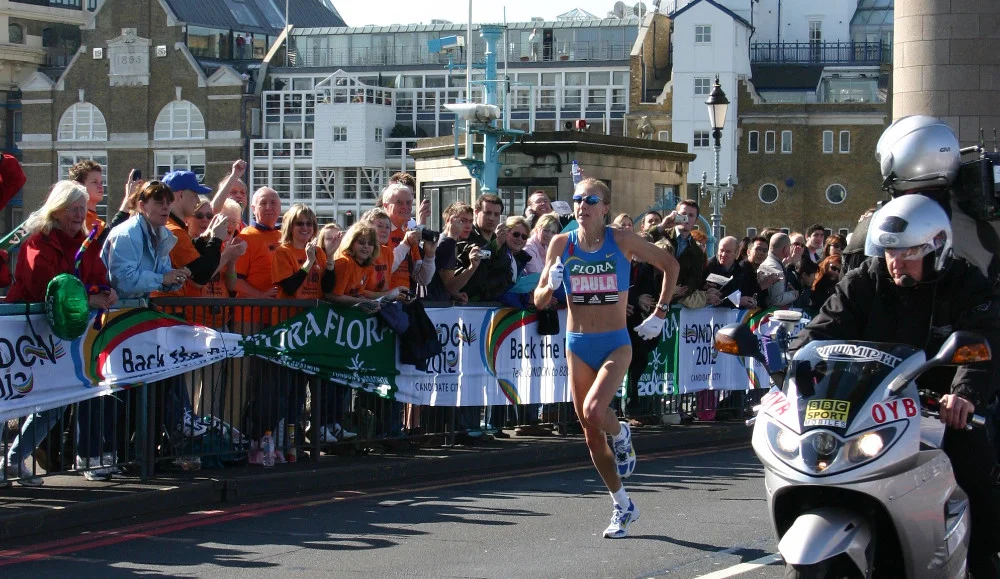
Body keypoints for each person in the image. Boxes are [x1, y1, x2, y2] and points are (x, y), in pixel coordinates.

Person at [792, 194, 1000, 578]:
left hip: (938, 408)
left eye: (908, 253)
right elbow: (822, 331)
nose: (895, 262)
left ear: (936, 250)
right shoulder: (864, 280)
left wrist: (964, 394)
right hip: (873, 406)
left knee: (977, 476)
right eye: (889, 252)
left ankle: (984, 561)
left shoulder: (966, 284)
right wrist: (793, 364)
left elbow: (982, 339)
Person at [533, 178, 679, 539]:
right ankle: (623, 504)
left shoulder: (622, 240)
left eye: (590, 199)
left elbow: (670, 266)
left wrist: (660, 312)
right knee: (590, 435)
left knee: (598, 412)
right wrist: (550, 284)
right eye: (577, 199)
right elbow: (538, 300)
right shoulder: (561, 243)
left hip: (615, 343)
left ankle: (622, 430)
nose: (582, 205)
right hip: (578, 343)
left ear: (605, 207)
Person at [3, 181, 118, 486]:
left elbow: (96, 276)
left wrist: (106, 293)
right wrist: (85, 297)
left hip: (64, 337)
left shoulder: (84, 243)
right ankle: (7, 462)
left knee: (55, 405)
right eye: (73, 209)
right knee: (14, 398)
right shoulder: (37, 242)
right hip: (27, 334)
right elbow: (43, 285)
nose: (80, 215)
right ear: (57, 210)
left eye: (83, 208)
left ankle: (14, 459)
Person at [426, 202, 477, 303]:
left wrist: (455, 294)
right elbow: (450, 286)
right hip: (437, 308)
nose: (468, 226)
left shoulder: (448, 242)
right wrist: (472, 268)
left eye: (471, 221)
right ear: (449, 221)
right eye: (463, 221)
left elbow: (442, 282)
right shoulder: (447, 243)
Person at [756, 233, 798, 308]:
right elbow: (776, 300)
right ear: (785, 249)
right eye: (790, 246)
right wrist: (794, 294)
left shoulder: (767, 262)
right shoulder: (775, 268)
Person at [68, 160, 106, 234]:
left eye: (101, 182)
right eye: (95, 182)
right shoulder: (76, 220)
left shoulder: (99, 222)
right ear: (79, 186)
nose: (101, 186)